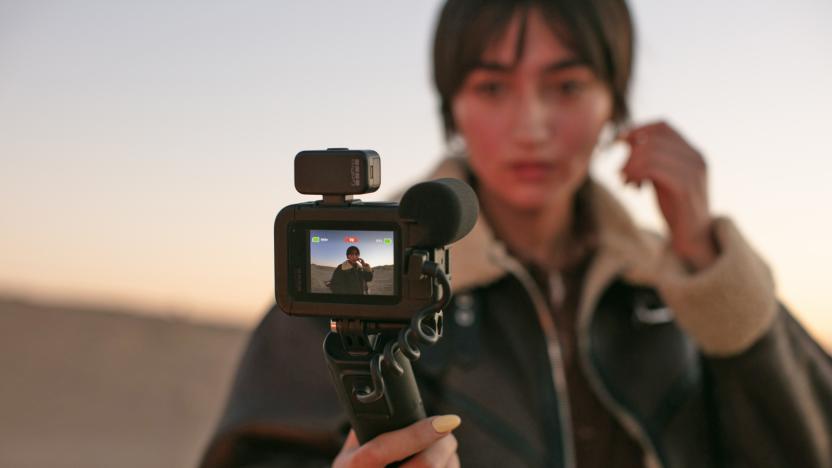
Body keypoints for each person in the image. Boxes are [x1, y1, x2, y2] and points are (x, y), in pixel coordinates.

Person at [200, 1, 832, 467]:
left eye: (567, 84)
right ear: (454, 107)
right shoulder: (355, 273)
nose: (531, 125)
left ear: (615, 103)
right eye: (493, 86)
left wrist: (705, 259)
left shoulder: (675, 277)